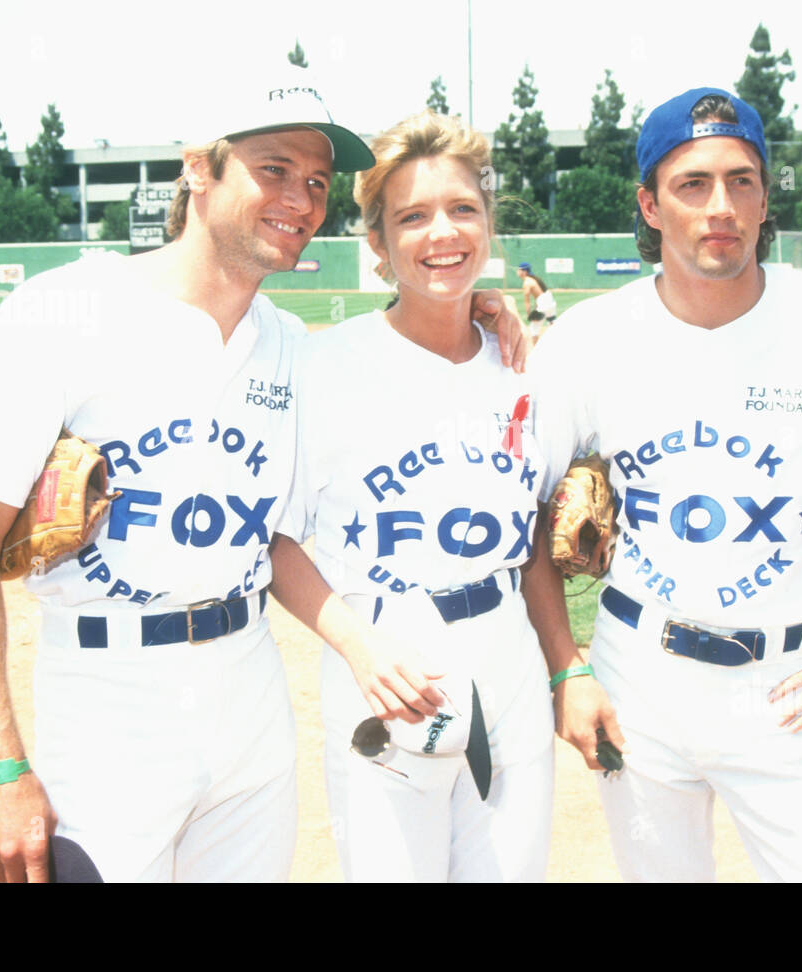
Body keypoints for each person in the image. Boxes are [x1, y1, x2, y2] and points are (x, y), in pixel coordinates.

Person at [0, 84, 526, 884]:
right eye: (273, 169)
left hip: (250, 701)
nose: (299, 199)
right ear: (197, 171)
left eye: (316, 182)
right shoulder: (62, 313)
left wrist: (477, 309)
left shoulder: (287, 344)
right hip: (107, 701)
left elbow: (400, 354)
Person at [528, 86, 802, 882]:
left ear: (766, 197)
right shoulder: (591, 339)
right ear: (650, 205)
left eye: (741, 180)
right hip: (637, 673)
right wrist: (568, 667)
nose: (720, 206)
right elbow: (530, 520)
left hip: (786, 687)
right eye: (691, 184)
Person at [267, 111, 555, 882]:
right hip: (384, 665)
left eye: (463, 209)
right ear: (377, 245)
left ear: (488, 224)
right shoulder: (321, 365)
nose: (443, 233)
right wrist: (360, 648)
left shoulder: (522, 365)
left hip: (508, 657)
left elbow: (534, 534)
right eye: (413, 216)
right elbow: (274, 540)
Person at [516, 262, 558, 336]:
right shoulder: (534, 279)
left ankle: (534, 347)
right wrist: (536, 308)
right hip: (549, 300)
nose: (517, 271)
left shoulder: (527, 283)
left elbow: (527, 301)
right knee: (552, 323)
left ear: (524, 272)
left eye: (519, 270)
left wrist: (528, 314)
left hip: (543, 302)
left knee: (533, 329)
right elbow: (540, 295)